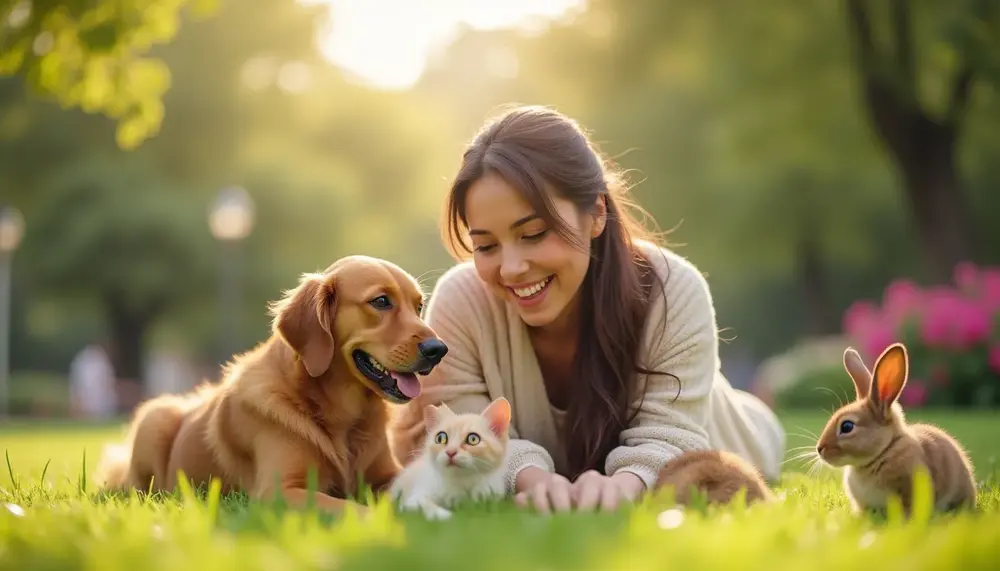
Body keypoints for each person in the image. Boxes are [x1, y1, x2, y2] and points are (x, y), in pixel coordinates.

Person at [389, 105, 785, 513]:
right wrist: (534, 479)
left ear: (596, 214)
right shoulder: (460, 301)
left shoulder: (674, 289)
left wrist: (626, 485)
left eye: (534, 233)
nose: (510, 268)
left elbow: (670, 433)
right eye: (486, 246)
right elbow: (463, 426)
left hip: (735, 430)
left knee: (755, 430)